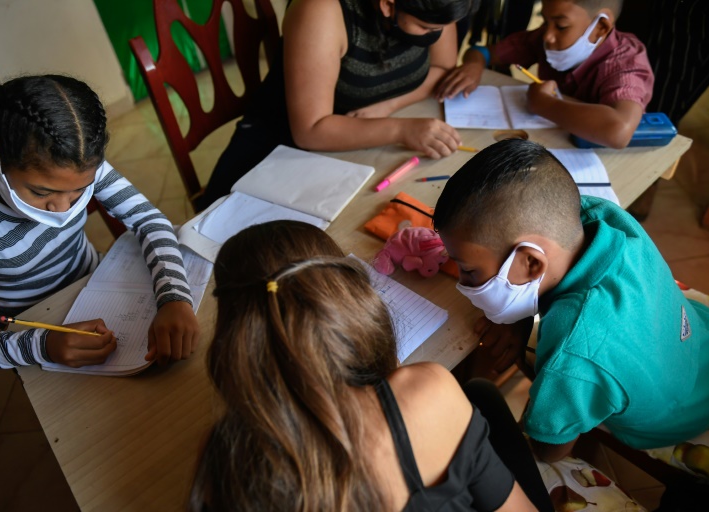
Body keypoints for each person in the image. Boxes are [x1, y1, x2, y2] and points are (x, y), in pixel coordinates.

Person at [190, 220, 553, 511]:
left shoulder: (225, 459)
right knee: (481, 394)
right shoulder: (428, 391)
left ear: (234, 337)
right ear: (351, 304)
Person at [433, 138, 709, 462]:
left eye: (469, 271)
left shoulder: (572, 354)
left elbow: (549, 449)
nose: (462, 283)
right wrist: (519, 318)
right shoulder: (606, 217)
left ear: (532, 263)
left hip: (669, 419)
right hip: (698, 345)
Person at [0, 75, 200, 373]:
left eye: (80, 191)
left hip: (99, 281)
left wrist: (174, 297)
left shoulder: (75, 161)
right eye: (41, 192)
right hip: (31, 324)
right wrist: (42, 346)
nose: (62, 208)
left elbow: (148, 219)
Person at [197, 0, 479, 210]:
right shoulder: (321, 10)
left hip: (355, 149)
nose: (439, 33)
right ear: (387, 5)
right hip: (279, 151)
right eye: (428, 28)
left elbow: (443, 69)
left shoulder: (435, 5)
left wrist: (388, 106)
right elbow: (310, 130)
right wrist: (400, 130)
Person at [436, 0, 654, 149]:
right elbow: (482, 52)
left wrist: (542, 104)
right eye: (545, 21)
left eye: (560, 26)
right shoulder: (543, 38)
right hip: (550, 144)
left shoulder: (627, 63)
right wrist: (474, 64)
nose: (548, 35)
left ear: (601, 26)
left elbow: (618, 131)